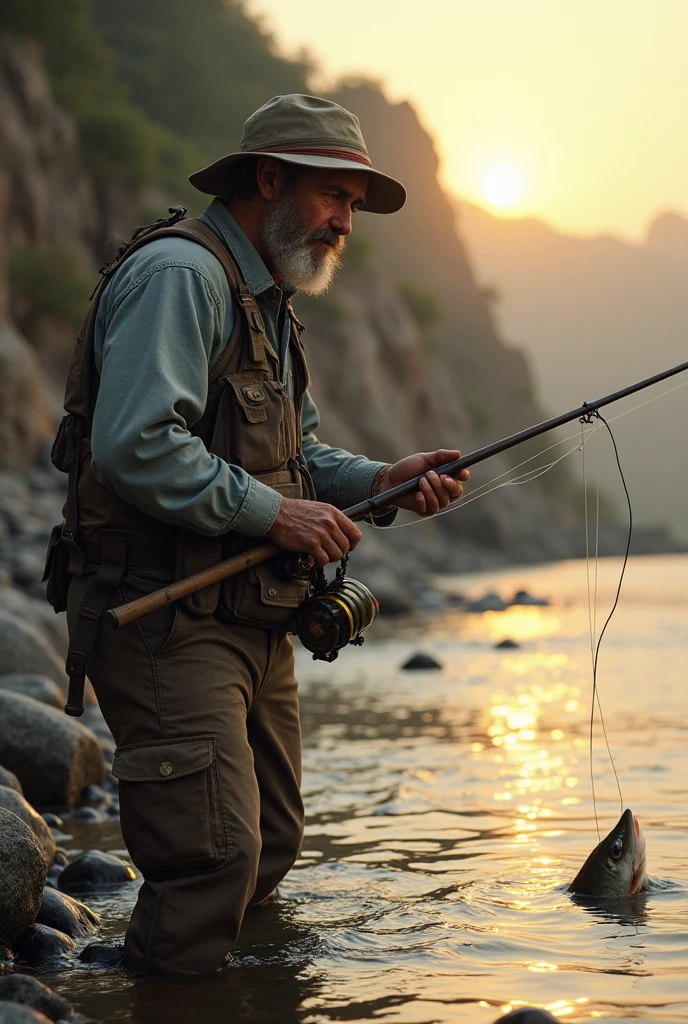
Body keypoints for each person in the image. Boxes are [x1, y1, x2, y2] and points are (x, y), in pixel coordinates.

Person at [56, 94, 469, 973]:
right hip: (159, 617)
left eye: (355, 206)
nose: (346, 223)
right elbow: (135, 445)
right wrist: (275, 515)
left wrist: (383, 482)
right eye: (335, 197)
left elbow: (300, 453)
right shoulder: (184, 277)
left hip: (250, 617)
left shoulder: (268, 298)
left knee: (269, 845)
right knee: (212, 861)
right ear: (269, 179)